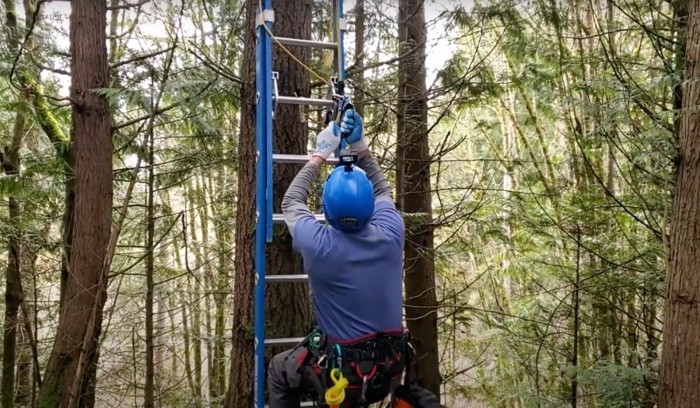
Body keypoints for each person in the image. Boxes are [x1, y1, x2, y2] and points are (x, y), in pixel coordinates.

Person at [267, 110, 409, 408]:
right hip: (387, 375)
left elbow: (291, 201)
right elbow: (383, 190)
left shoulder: (318, 244)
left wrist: (320, 154)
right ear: (370, 207)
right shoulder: (392, 233)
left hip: (341, 381)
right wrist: (360, 149)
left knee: (280, 370)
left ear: (327, 211)